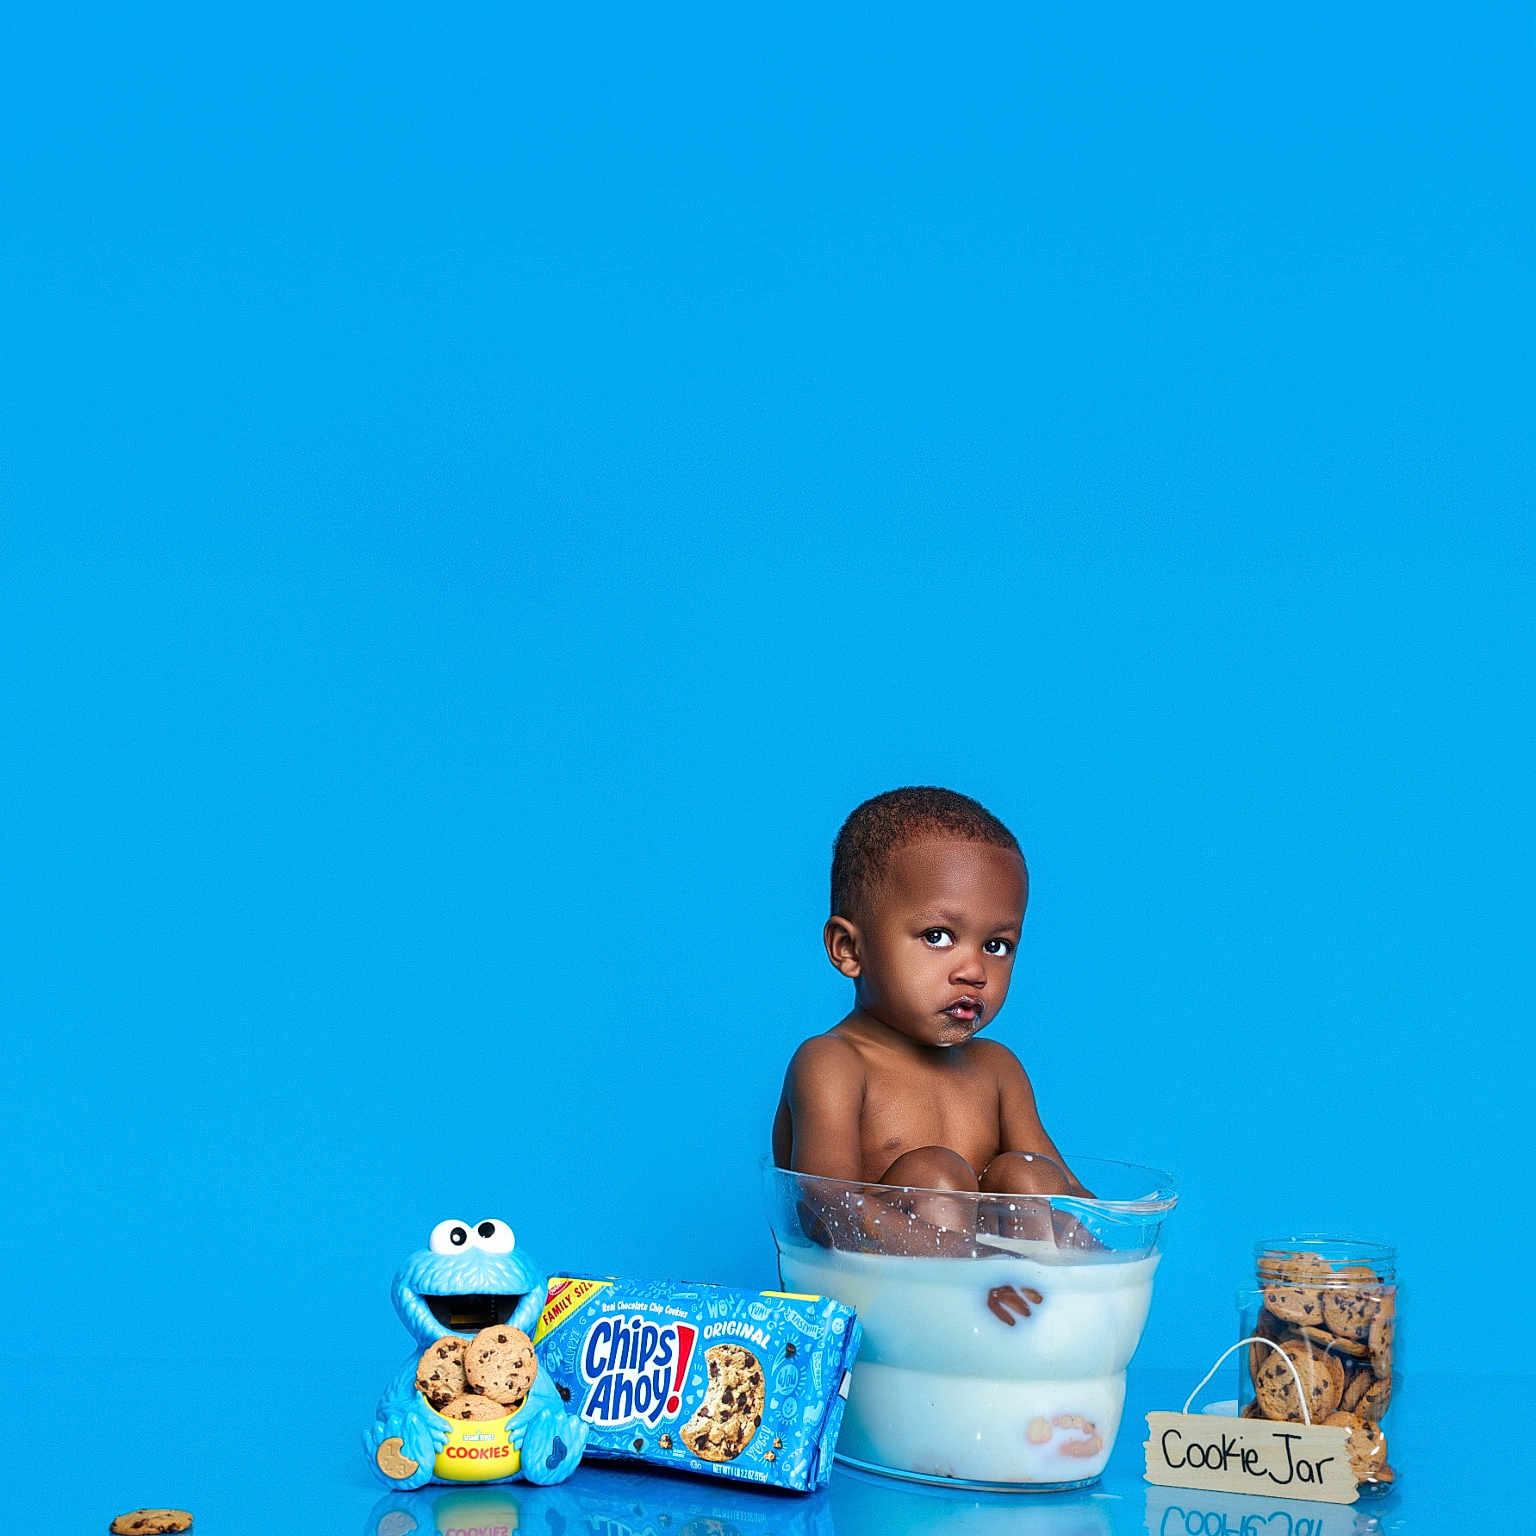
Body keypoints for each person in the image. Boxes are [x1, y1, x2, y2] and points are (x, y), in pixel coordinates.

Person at [771, 787, 1092, 1249]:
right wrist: (969, 1260)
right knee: (933, 1175)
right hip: (875, 1302)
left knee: (1028, 1174)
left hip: (1011, 1304)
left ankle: (1056, 1306)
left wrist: (1122, 1247)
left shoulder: (997, 1069)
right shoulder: (833, 1063)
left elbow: (1071, 1199)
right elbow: (827, 1210)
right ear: (849, 949)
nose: (974, 971)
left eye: (997, 945)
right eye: (938, 936)